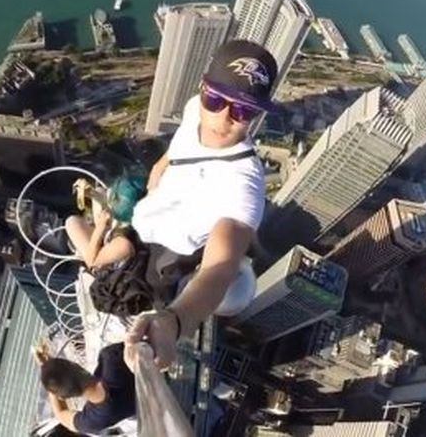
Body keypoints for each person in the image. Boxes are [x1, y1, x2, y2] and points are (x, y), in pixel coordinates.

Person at [123, 40, 276, 368]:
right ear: (202, 90)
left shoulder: (244, 185)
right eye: (216, 100)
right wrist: (161, 165)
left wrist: (174, 322)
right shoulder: (195, 109)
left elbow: (219, 270)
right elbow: (182, 144)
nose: (223, 118)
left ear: (256, 115)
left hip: (171, 255)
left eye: (243, 110)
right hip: (148, 218)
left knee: (145, 291)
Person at [36, 343, 136, 435]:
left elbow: (60, 414)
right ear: (75, 364)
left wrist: (53, 387)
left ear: (63, 397)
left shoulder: (93, 420)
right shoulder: (111, 357)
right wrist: (48, 365)